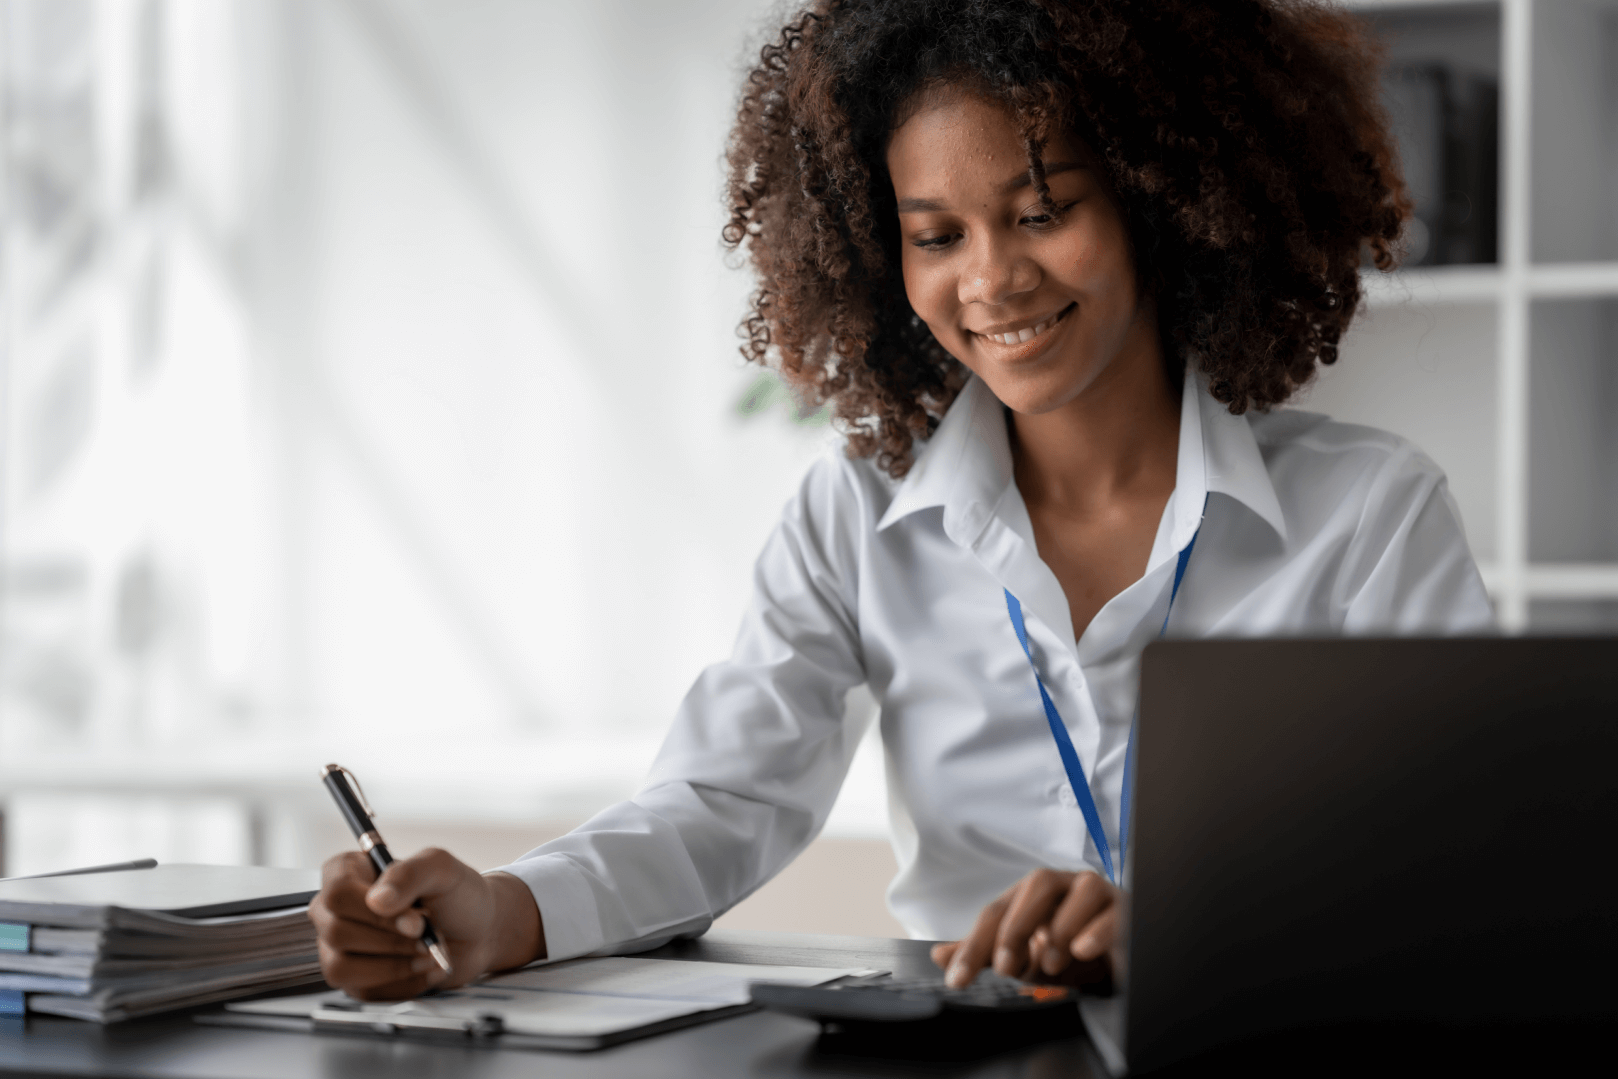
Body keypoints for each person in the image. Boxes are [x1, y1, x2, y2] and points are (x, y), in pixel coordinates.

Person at [308, 0, 1494, 1002]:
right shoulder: (851, 514)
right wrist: (507, 910)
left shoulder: (1366, 515)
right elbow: (721, 800)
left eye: (1042, 212)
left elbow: (1463, 866)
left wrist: (1189, 932)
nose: (991, 277)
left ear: (1165, 201)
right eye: (936, 234)